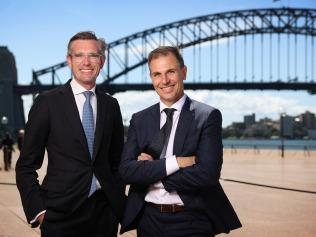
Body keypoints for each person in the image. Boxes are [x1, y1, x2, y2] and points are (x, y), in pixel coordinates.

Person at [119, 46, 241, 237]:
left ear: (183, 72)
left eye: (171, 72)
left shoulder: (207, 116)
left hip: (191, 220)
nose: (164, 80)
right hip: (148, 220)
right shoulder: (139, 119)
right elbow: (126, 171)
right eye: (157, 74)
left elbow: (207, 174)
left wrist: (151, 172)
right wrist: (176, 162)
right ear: (151, 78)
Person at [16, 31, 125, 237]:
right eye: (79, 55)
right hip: (60, 214)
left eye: (93, 55)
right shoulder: (47, 102)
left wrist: (116, 201)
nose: (86, 62)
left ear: (101, 62)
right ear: (69, 60)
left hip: (104, 212)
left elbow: (116, 160)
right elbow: (26, 164)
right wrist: (39, 211)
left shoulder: (111, 104)